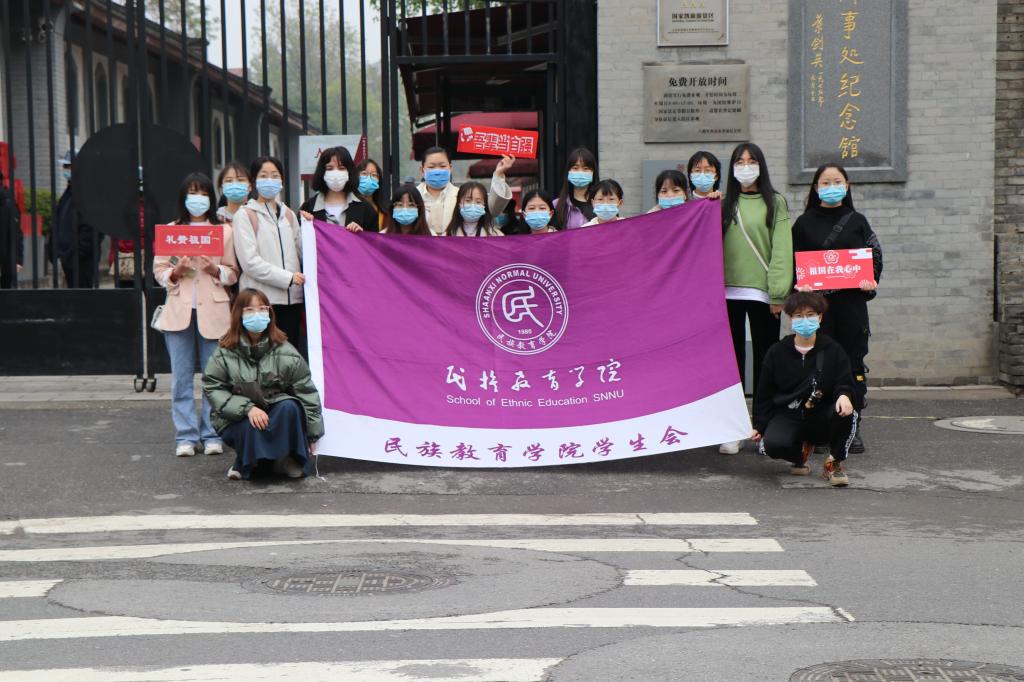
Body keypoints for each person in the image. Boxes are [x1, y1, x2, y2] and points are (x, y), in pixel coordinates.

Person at [792, 163, 882, 454]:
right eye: (825, 182)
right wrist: (798, 283)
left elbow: (875, 255)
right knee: (817, 365)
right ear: (816, 188)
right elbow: (791, 260)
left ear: (847, 185)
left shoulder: (857, 221)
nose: (831, 187)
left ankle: (851, 427)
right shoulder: (803, 224)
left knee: (852, 365)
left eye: (837, 181)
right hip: (817, 311)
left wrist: (870, 280)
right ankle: (819, 427)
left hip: (851, 309)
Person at [153, 172, 239, 458]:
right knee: (181, 378)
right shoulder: (170, 230)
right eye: (192, 193)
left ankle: (212, 433)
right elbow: (159, 271)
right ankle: (186, 435)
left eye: (203, 193)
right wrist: (176, 271)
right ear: (183, 198)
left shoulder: (224, 231)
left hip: (214, 311)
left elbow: (233, 272)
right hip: (179, 311)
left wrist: (215, 270)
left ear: (211, 198)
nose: (198, 199)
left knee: (214, 378)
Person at [718, 142, 793, 456]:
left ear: (761, 166)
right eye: (739, 161)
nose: (745, 166)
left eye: (751, 161)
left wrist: (778, 293)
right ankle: (733, 428)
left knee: (766, 361)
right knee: (731, 363)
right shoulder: (722, 204)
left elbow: (782, 249)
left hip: (764, 295)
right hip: (726, 293)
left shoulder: (775, 202)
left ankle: (763, 426)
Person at [202, 288, 324, 481]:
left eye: (262, 309)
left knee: (289, 406)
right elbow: (213, 388)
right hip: (239, 417)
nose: (257, 315)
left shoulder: (286, 351)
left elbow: (306, 391)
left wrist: (313, 434)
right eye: (249, 310)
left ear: (270, 312)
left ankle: (286, 459)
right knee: (250, 424)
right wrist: (247, 409)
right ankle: (246, 461)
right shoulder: (224, 352)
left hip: (274, 411)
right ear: (238, 314)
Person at [752, 291, 856, 487]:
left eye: (810, 315)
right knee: (771, 446)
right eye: (798, 316)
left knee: (846, 412)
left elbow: (845, 381)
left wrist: (844, 395)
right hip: (789, 413)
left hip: (821, 414)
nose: (805, 320)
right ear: (791, 319)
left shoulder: (833, 349)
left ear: (820, 317)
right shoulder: (777, 352)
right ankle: (799, 454)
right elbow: (764, 392)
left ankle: (834, 462)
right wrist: (759, 424)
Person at [231, 156, 306, 357]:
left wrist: (310, 225)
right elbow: (250, 263)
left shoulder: (289, 215)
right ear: (254, 181)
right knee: (261, 357)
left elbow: (302, 252)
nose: (270, 180)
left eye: (275, 175)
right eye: (263, 176)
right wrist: (288, 278)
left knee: (288, 358)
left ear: (282, 180)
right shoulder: (245, 215)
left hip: (291, 301)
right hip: (260, 302)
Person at [416, 146, 513, 236]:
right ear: (422, 170)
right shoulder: (413, 197)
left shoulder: (463, 196)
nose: (437, 171)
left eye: (442, 166)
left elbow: (493, 209)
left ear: (450, 168)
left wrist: (499, 174)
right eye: (431, 167)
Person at [299, 146, 378, 231]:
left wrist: (361, 235)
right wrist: (307, 224)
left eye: (341, 168)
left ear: (349, 172)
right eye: (329, 168)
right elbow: (298, 236)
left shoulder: (365, 209)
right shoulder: (308, 208)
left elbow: (374, 238)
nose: (336, 173)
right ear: (322, 173)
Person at [54, 151, 101, 288]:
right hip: (69, 257)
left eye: (68, 166)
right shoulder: (70, 191)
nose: (65, 169)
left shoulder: (87, 192)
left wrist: (74, 254)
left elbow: (91, 229)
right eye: (65, 166)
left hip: (82, 260)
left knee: (82, 294)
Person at [554, 147, 598, 229]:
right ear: (568, 172)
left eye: (585, 168)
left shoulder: (601, 205)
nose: (580, 172)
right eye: (575, 168)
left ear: (593, 172)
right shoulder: (557, 205)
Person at [0, 169, 22, 289]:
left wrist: (18, 259)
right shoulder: (8, 200)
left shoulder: (7, 201)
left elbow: (15, 233)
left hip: (5, 261)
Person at [355, 158, 385, 229]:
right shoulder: (350, 206)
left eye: (374, 175)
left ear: (379, 180)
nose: (368, 178)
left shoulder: (383, 212)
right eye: (364, 173)